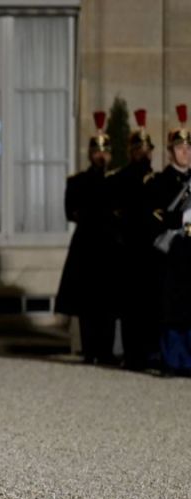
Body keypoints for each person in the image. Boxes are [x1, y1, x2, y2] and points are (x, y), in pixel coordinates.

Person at [55, 111, 123, 365]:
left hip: (110, 247)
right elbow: (71, 212)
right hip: (86, 247)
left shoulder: (116, 181)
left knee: (109, 302)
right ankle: (90, 350)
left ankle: (105, 352)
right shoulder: (77, 182)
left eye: (105, 152)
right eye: (97, 152)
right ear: (90, 154)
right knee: (86, 303)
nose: (101, 156)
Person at [144, 104, 191, 375]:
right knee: (173, 307)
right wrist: (182, 220)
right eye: (180, 147)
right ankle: (173, 359)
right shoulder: (159, 182)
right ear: (171, 151)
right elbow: (156, 216)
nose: (185, 152)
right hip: (174, 251)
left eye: (188, 147)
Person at [110, 109, 158, 369]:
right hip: (128, 251)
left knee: (150, 305)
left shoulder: (156, 179)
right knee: (129, 307)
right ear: (132, 152)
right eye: (139, 149)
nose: (144, 153)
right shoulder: (121, 178)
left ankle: (149, 353)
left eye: (147, 149)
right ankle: (131, 355)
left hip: (152, 251)